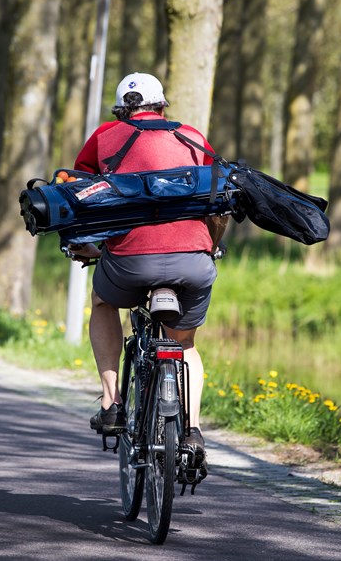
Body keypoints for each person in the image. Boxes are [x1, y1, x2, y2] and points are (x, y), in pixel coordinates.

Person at [68, 72, 228, 457]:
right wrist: (210, 247)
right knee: (184, 343)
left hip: (129, 263)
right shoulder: (192, 136)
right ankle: (192, 431)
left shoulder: (105, 137)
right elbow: (217, 195)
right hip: (194, 262)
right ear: (161, 106)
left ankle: (111, 404)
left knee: (104, 303)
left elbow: (81, 196)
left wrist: (87, 247)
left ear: (123, 111)